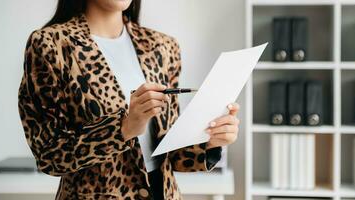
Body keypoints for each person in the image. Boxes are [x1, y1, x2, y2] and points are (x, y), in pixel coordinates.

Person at [17, 0, 240, 199]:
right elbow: (49, 156)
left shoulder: (162, 46)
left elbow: (173, 153)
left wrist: (211, 140)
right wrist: (123, 128)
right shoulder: (51, 45)